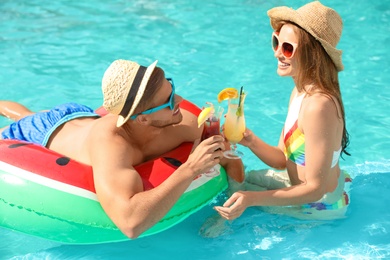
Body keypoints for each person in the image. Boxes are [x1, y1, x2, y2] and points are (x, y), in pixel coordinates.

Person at [0, 59, 244, 238]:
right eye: (169, 101)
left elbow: (232, 163)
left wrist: (228, 164)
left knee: (28, 112)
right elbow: (130, 224)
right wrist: (189, 169)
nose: (179, 101)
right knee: (24, 117)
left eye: (172, 89)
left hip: (82, 115)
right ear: (143, 118)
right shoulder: (111, 144)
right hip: (46, 130)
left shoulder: (184, 125)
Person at [214, 1, 350, 220]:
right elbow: (282, 160)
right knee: (238, 182)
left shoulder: (318, 106)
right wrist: (250, 140)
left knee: (235, 197)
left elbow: (314, 188)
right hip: (303, 189)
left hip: (318, 206)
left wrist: (251, 199)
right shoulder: (300, 92)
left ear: (312, 54)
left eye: (288, 48)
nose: (278, 53)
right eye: (276, 42)